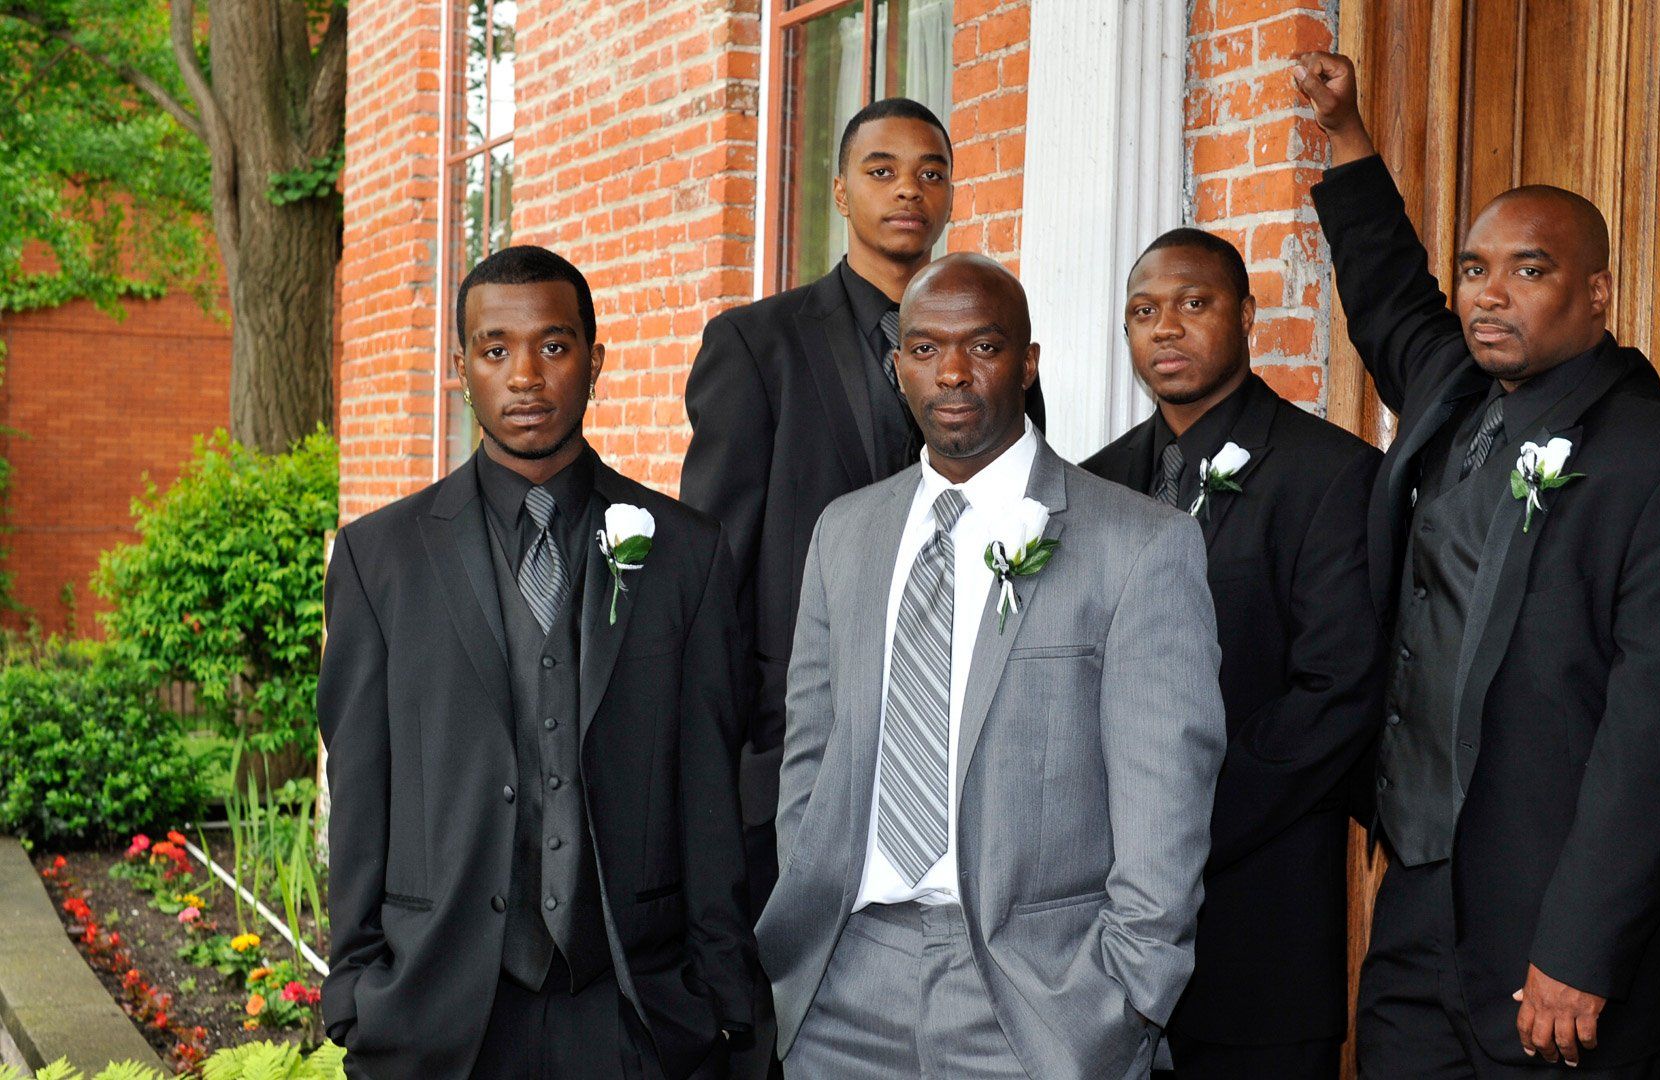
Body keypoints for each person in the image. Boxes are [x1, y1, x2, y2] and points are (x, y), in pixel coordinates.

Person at [1293, 51, 1660, 1078]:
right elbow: (1385, 292)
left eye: (1528, 270)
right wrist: (1350, 136)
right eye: (1474, 270)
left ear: (1596, 293)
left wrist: (1580, 949)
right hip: (1417, 905)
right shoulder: (1452, 392)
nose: (1489, 295)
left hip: (1567, 943)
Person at [755, 253, 1225, 1079]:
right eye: (927, 349)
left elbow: (1167, 810)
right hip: (841, 990)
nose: (955, 374)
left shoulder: (1140, 545)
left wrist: (1128, 998)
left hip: (1037, 1003)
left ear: (1027, 362)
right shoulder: (846, 532)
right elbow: (811, 756)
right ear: (897, 364)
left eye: (984, 346)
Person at [318, 245, 754, 1079]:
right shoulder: (382, 559)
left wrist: (720, 998)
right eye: (495, 349)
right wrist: (355, 990)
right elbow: (362, 789)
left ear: (595, 362)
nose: (525, 375)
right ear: (461, 368)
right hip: (439, 1013)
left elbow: (709, 790)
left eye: (553, 347)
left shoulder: (686, 553)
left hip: (630, 1006)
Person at [680, 98, 1047, 932]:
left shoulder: (994, 347)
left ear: (951, 195)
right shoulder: (755, 345)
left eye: (930, 173)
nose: (907, 190)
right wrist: (734, 764)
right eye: (881, 171)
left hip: (968, 756)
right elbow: (715, 571)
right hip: (802, 755)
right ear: (840, 192)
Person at [1083, 227, 1383, 1079]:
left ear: (1247, 315)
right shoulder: (1093, 485)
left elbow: (1337, 692)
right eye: (1143, 311)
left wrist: (1172, 824)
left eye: (1193, 304)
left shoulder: (1330, 474)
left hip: (1259, 916)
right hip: (1100, 942)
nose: (1165, 328)